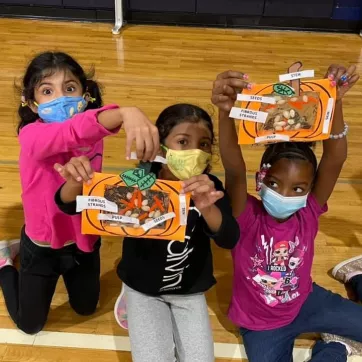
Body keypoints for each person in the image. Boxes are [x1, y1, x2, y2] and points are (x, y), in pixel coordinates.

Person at [55, 103, 240, 362]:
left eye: (205, 144)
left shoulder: (210, 187)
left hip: (188, 291)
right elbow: (70, 205)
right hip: (143, 289)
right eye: (183, 141)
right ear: (162, 146)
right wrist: (75, 181)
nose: (195, 152)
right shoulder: (140, 182)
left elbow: (229, 237)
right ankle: (127, 297)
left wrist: (208, 208)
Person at [0, 51, 158, 335]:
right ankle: (4, 262)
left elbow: (82, 131)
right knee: (30, 325)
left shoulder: (92, 132)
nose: (61, 98)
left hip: (84, 238)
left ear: (85, 95)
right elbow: (67, 134)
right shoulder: (31, 135)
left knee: (86, 307)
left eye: (70, 88)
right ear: (33, 104)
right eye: (47, 91)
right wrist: (125, 112)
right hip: (43, 244)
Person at [212, 65, 362, 361]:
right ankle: (334, 347)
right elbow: (233, 167)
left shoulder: (308, 210)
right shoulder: (246, 214)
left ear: (309, 189)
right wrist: (226, 112)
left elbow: (335, 157)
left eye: (297, 188)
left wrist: (334, 101)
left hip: (307, 302)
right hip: (260, 326)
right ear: (261, 178)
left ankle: (354, 276)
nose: (284, 193)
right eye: (274, 183)